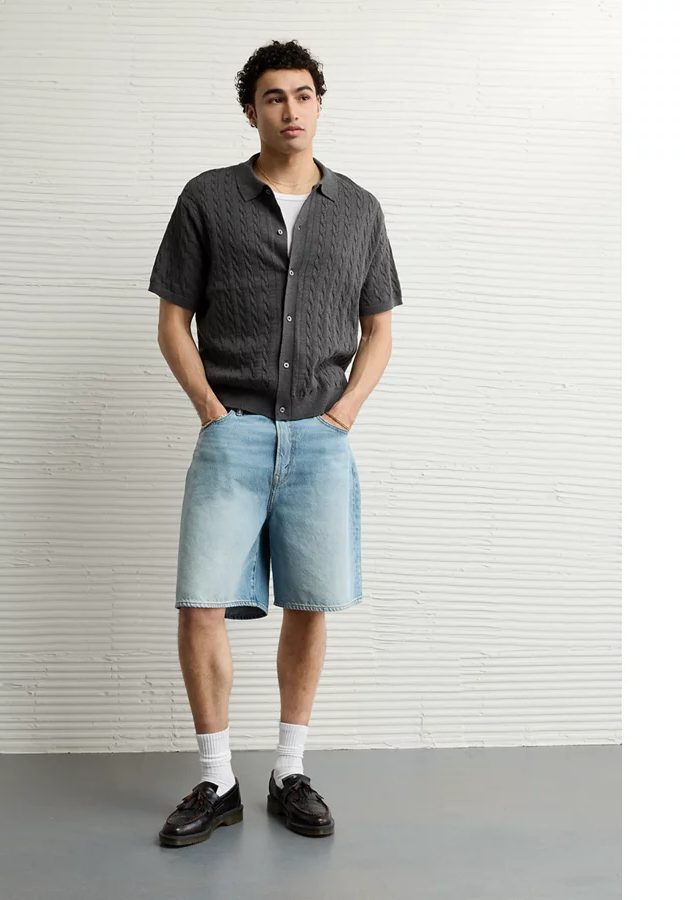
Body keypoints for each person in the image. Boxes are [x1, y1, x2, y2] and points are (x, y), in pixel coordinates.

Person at [148, 39, 403, 847]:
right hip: (234, 433)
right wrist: (210, 409)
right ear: (251, 110)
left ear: (318, 104)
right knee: (200, 602)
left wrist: (344, 414)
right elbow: (173, 321)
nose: (290, 110)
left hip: (321, 439)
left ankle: (289, 769)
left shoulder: (359, 210)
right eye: (273, 97)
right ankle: (216, 779)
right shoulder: (208, 199)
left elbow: (379, 328)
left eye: (302, 95)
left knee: (310, 601)